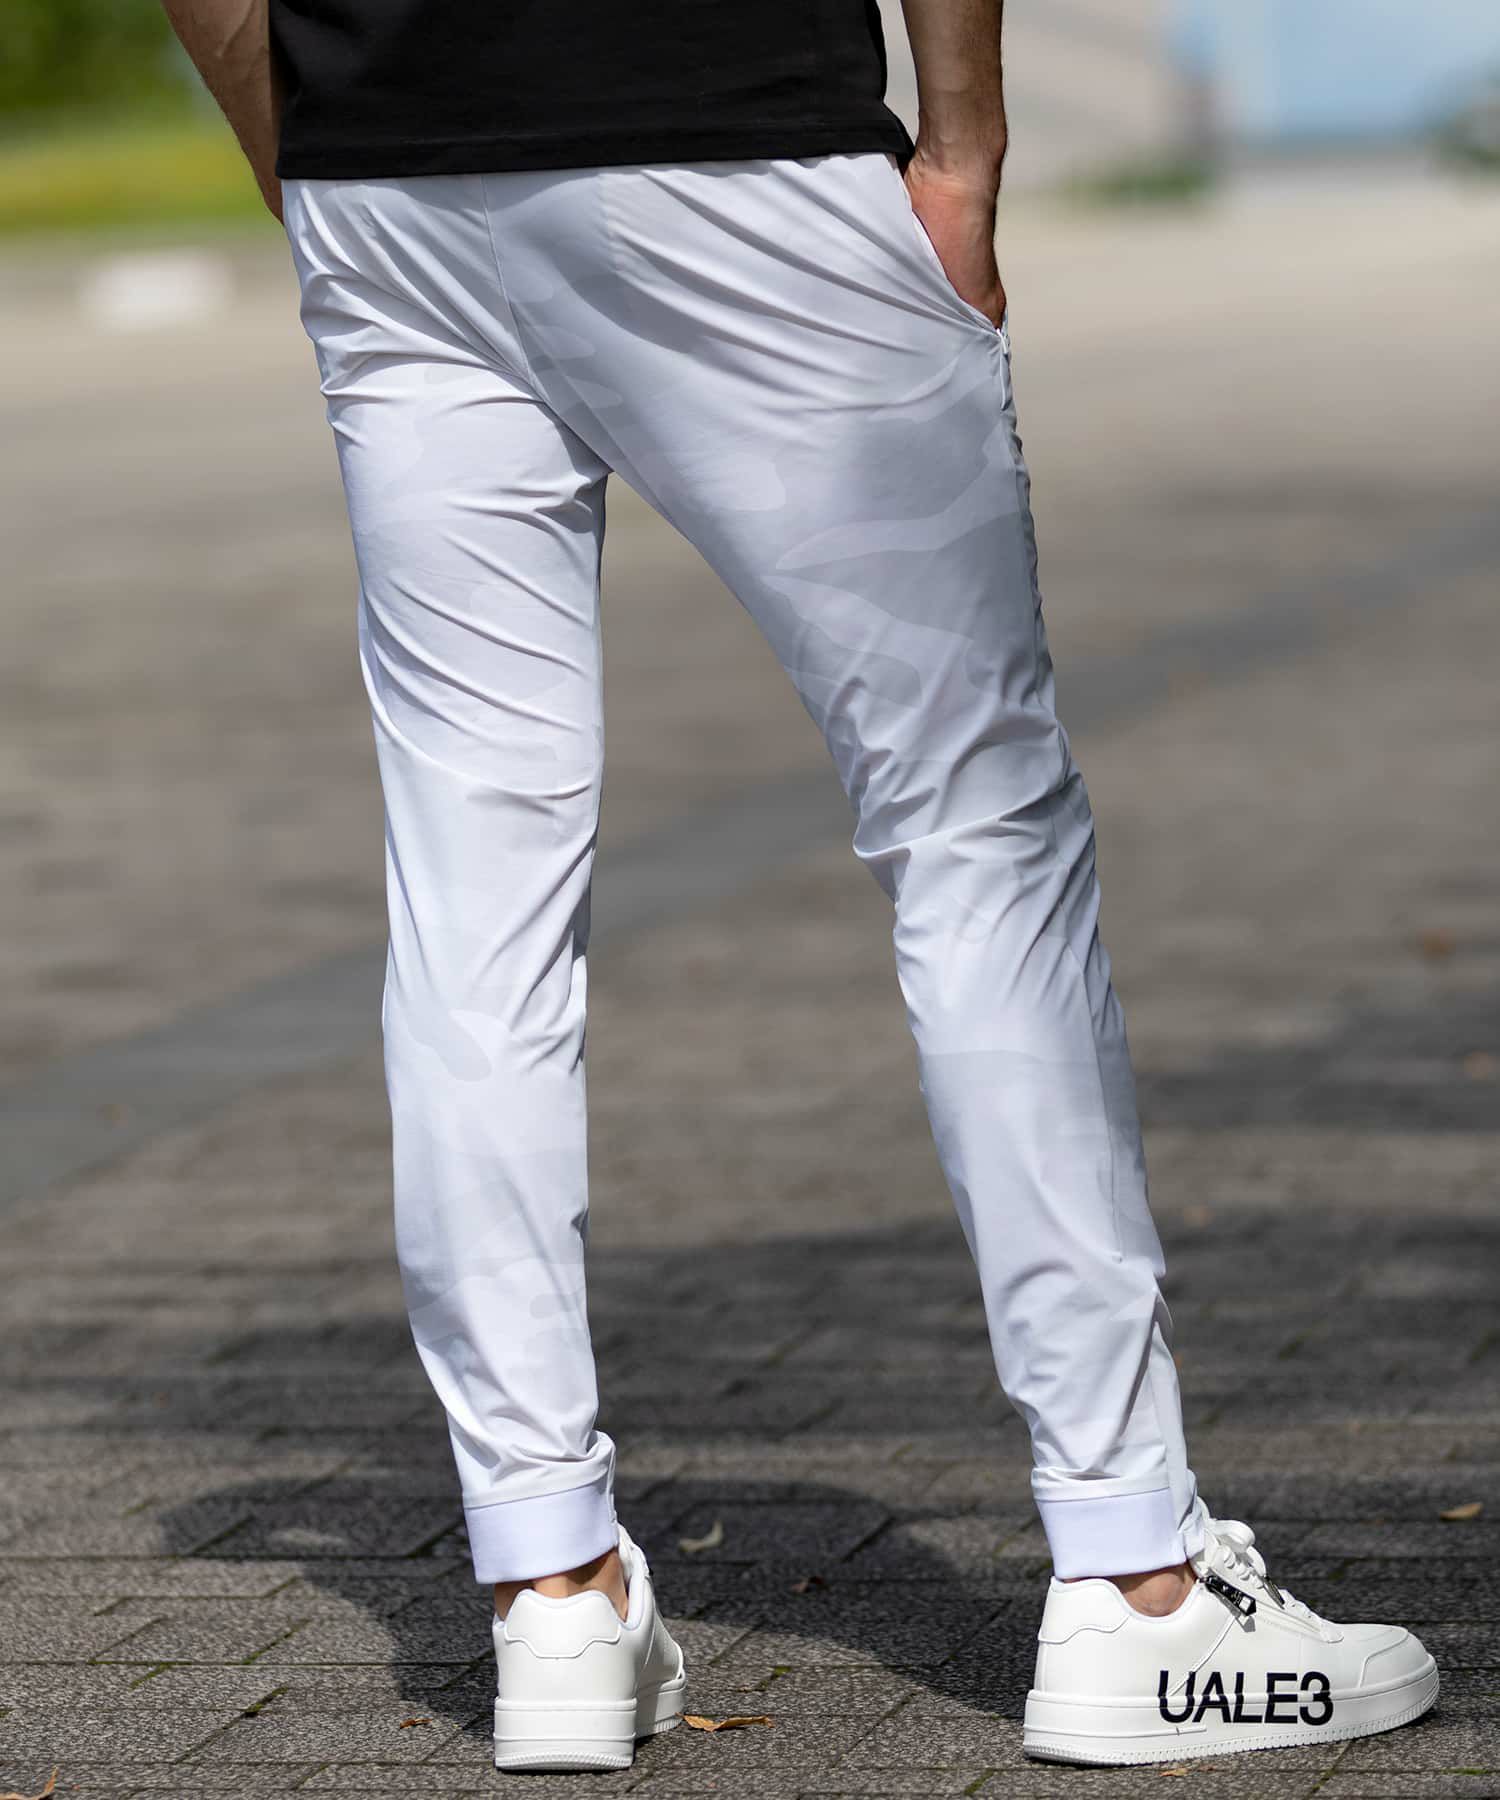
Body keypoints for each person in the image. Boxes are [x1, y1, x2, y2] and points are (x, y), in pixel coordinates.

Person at [160, 0, 1439, 1772]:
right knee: (975, 825)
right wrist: (965, 144)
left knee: (474, 884)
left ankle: (549, 1588)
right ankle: (1140, 1586)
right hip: (729, 130)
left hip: (395, 175)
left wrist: (309, 157)